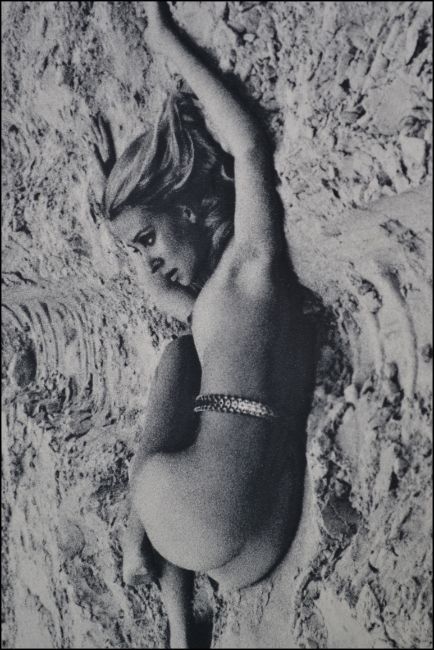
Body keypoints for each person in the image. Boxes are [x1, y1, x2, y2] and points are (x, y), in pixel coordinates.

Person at [88, 3, 315, 647]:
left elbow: (247, 144)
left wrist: (166, 41)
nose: (150, 261)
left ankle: (137, 544)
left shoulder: (251, 261)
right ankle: (178, 619)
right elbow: (168, 296)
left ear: (188, 205)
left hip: (202, 519)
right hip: (260, 539)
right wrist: (117, 203)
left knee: (175, 359)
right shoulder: (236, 298)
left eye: (149, 239)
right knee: (191, 362)